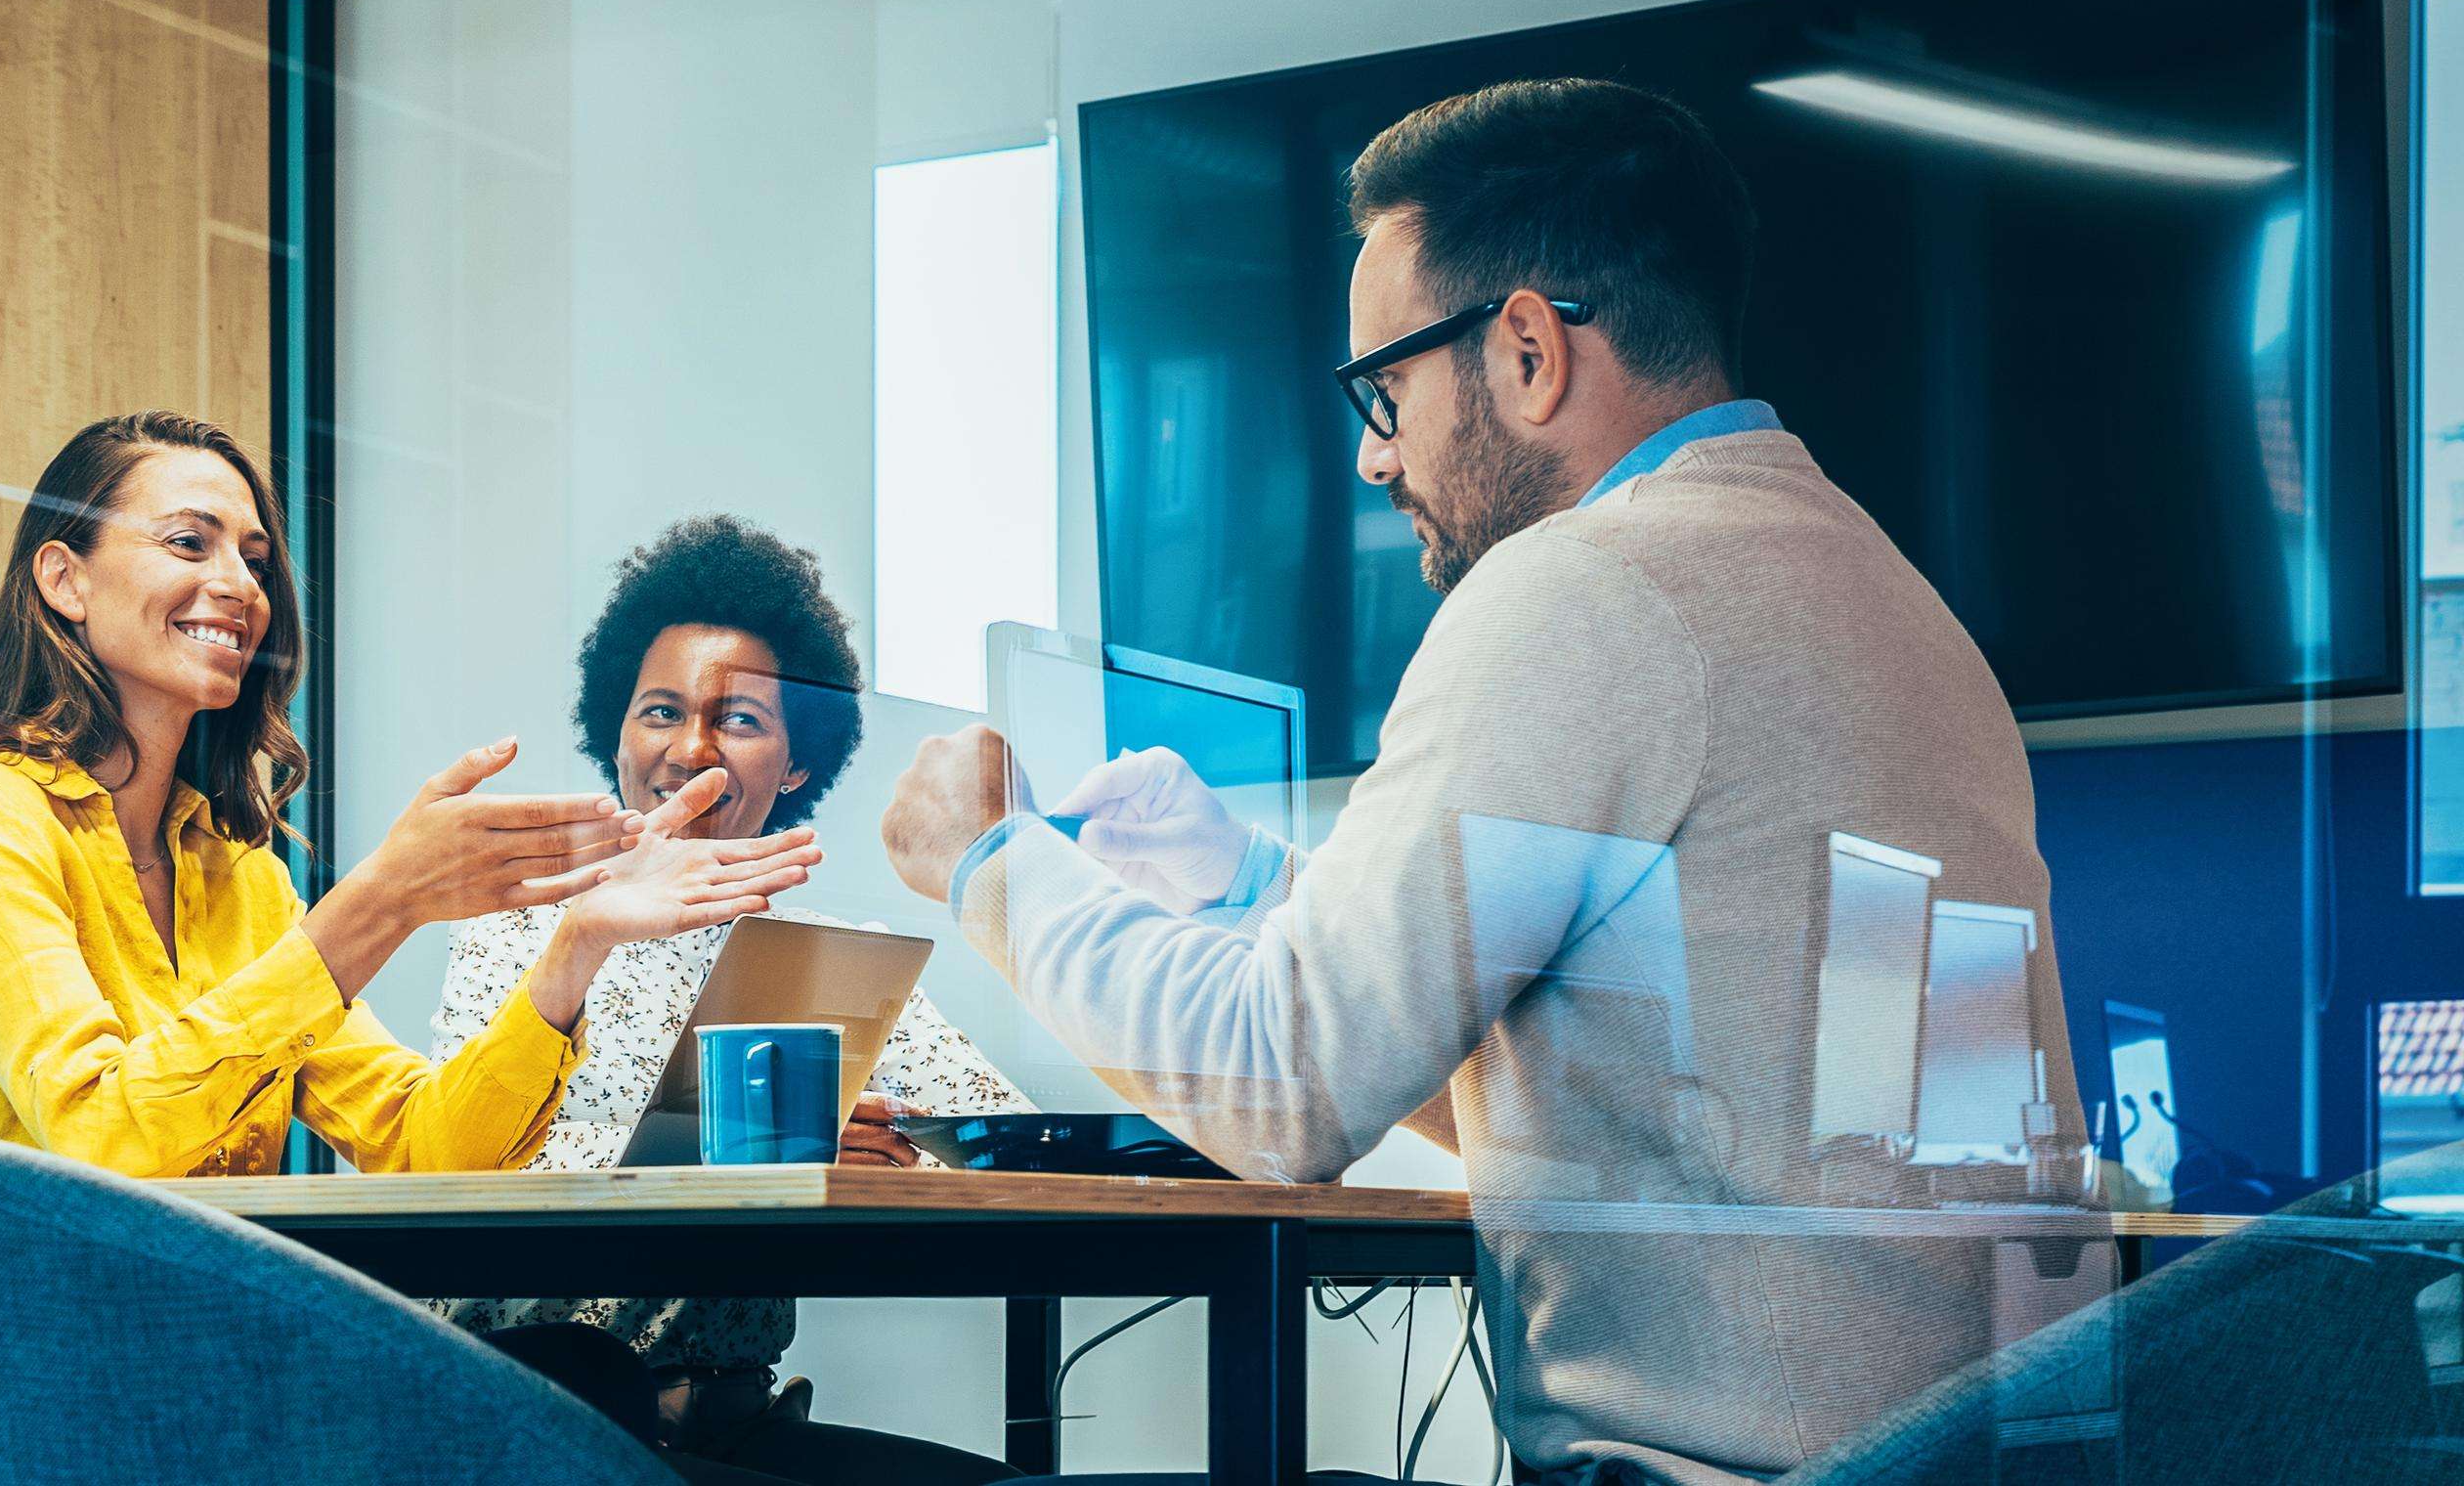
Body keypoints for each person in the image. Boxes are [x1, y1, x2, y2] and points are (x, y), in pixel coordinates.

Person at [881, 81, 2086, 1486]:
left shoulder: (1582, 587)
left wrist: (991, 865)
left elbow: (1284, 1093)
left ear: (1524, 348)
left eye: (1383, 390)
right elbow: (1664, 1110)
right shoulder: (1886, 598)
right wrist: (1257, 889)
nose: (1372, 455)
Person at [0, 411, 822, 1178]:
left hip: (205, 1355)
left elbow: (424, 1149)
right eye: (187, 543)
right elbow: (106, 1137)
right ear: (63, 578)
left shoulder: (237, 876)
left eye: (252, 556)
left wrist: (580, 943)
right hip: (21, 1372)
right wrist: (382, 901)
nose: (238, 584)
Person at [432, 516, 1029, 1486]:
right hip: (533, 1413)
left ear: (796, 763)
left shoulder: (824, 962)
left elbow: (1002, 1136)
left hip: (735, 1421)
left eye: (740, 721)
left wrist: (887, 1150)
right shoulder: (520, 924)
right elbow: (466, 1160)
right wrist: (754, 1151)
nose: (690, 750)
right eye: (660, 711)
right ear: (615, 729)